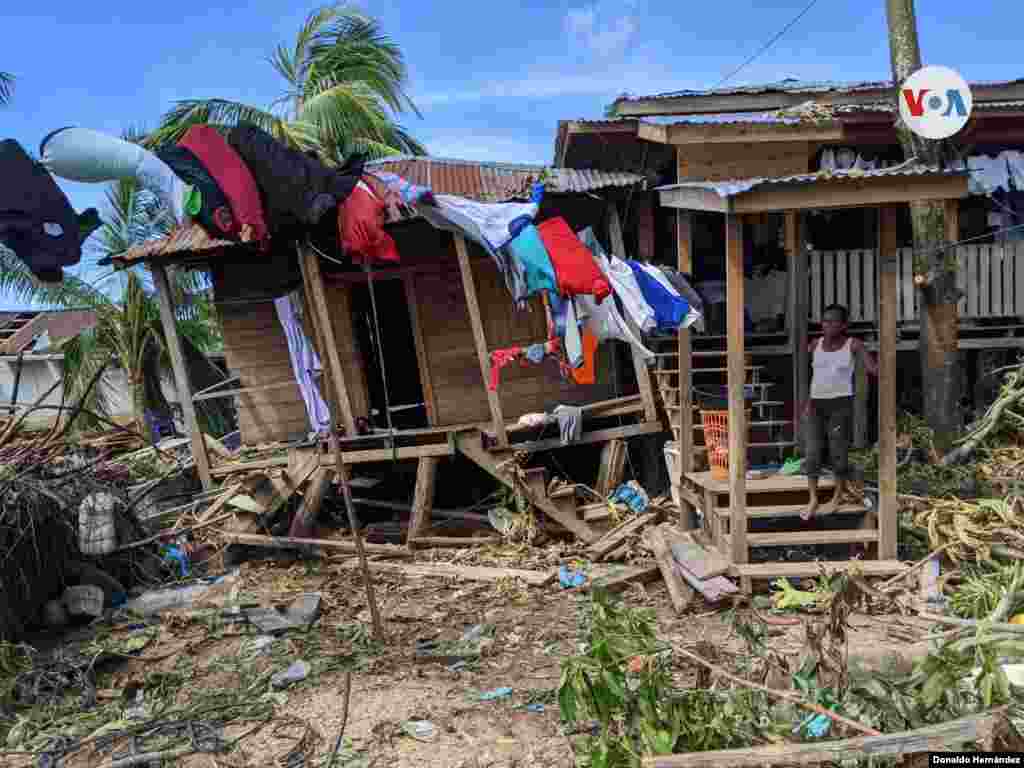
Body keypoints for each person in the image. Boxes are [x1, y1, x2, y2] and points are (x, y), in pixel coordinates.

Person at [800, 304, 878, 521]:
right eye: (825, 321)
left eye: (834, 321)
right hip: (816, 404)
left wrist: (885, 357)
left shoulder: (853, 344)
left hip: (840, 405)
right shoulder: (814, 344)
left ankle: (837, 496)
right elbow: (810, 375)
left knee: (838, 453)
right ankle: (813, 498)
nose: (828, 325)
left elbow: (873, 369)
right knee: (813, 452)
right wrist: (807, 402)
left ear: (844, 325)